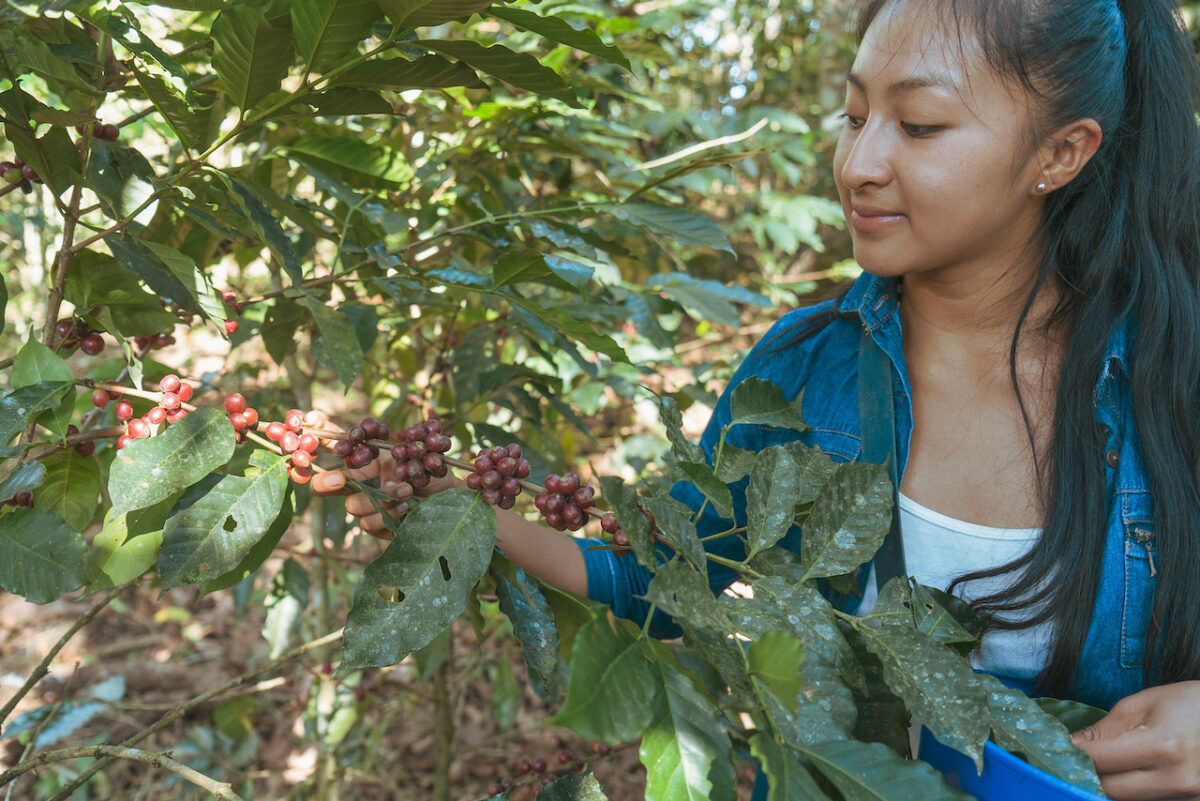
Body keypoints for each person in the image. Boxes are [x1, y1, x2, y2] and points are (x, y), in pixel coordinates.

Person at [314, 0, 1200, 796]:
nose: (859, 163)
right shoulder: (801, 373)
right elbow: (675, 585)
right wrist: (461, 514)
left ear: (1060, 152)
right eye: (853, 117)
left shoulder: (1175, 379)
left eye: (920, 125)